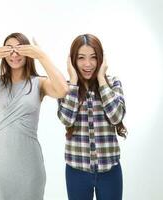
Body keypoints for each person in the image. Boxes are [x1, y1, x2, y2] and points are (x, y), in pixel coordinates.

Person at [0, 32, 69, 200]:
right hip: (1, 164)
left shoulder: (39, 83)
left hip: (30, 164)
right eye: (9, 49)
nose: (14, 54)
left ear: (28, 52)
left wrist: (42, 55)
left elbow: (63, 89)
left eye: (19, 49)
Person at [57, 33, 127, 200]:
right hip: (76, 171)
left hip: (110, 171)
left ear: (101, 60)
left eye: (93, 57)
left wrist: (101, 79)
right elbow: (66, 119)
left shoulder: (113, 83)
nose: (87, 64)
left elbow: (116, 117)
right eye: (81, 58)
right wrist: (73, 81)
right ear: (73, 60)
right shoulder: (66, 87)